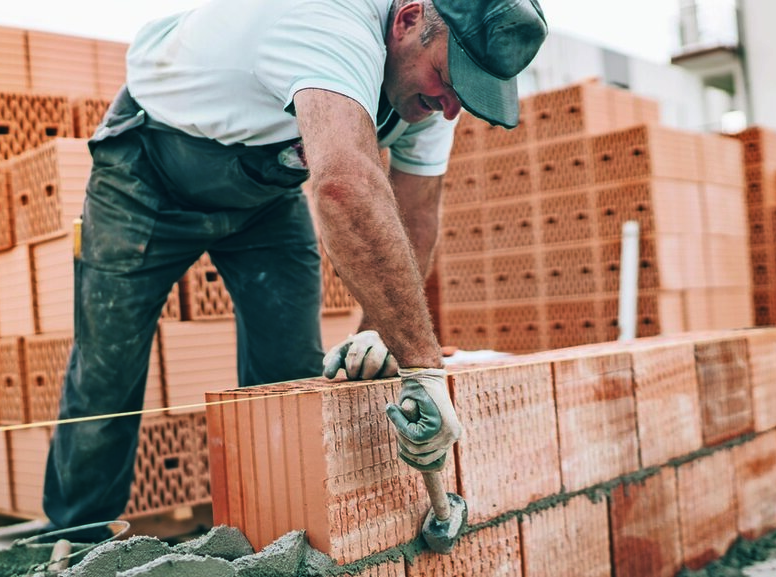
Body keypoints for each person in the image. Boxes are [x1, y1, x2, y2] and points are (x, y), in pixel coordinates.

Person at [41, 0, 547, 542]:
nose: (450, 108)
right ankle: (76, 540)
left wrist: (377, 337)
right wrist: (422, 367)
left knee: (286, 374)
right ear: (407, 21)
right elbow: (345, 184)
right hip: (148, 169)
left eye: (466, 97)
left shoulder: (427, 92)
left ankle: (274, 539)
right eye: (448, 81)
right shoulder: (327, 19)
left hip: (263, 194)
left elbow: (416, 215)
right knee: (107, 367)